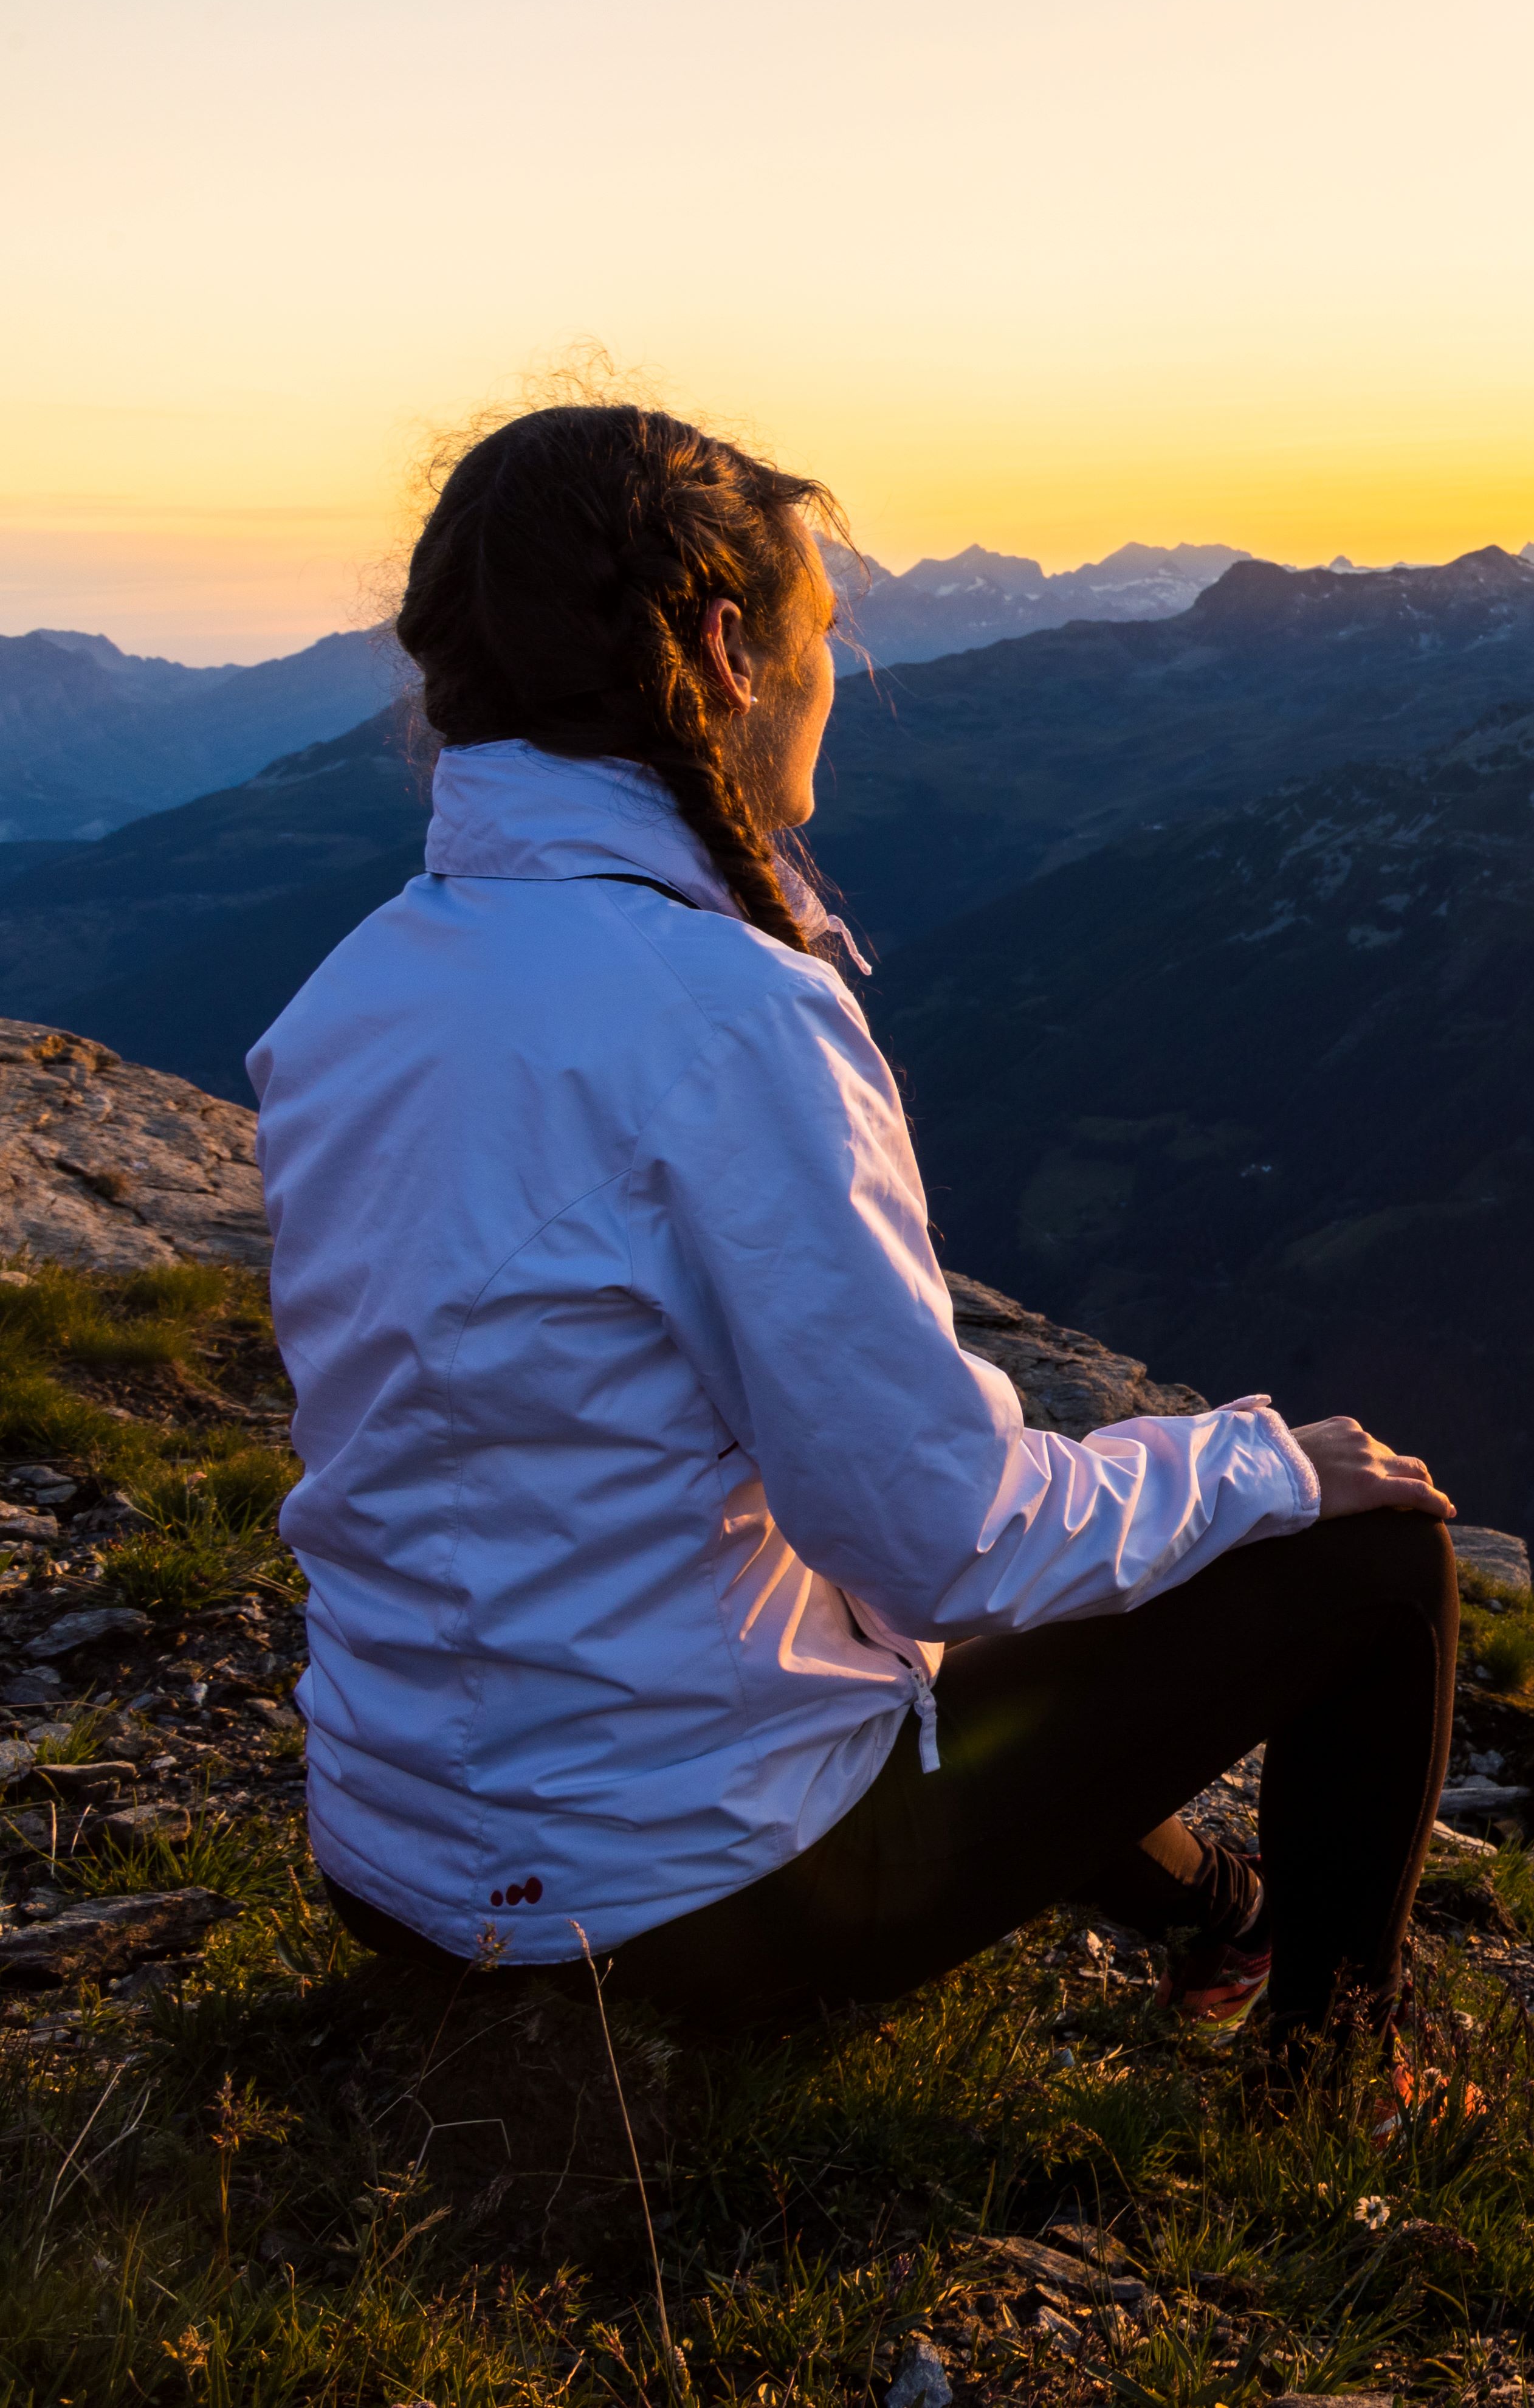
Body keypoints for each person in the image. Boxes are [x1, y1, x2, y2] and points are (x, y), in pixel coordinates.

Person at [247, 401, 1457, 2060]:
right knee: (1370, 1553)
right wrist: (1259, 1465)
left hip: (392, 1864)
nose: (833, 682)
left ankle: (1217, 1925)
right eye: (823, 634)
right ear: (731, 652)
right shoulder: (728, 1013)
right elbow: (946, 1541)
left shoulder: (351, 997)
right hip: (681, 1907)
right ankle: (1346, 2081)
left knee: (843, 1593)